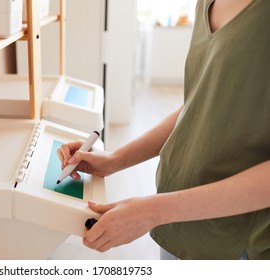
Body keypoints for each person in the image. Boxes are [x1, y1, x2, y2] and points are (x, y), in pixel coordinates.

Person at [57, 0, 270, 260]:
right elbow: (199, 103)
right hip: (178, 221)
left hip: (234, 241)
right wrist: (114, 160)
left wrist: (152, 212)